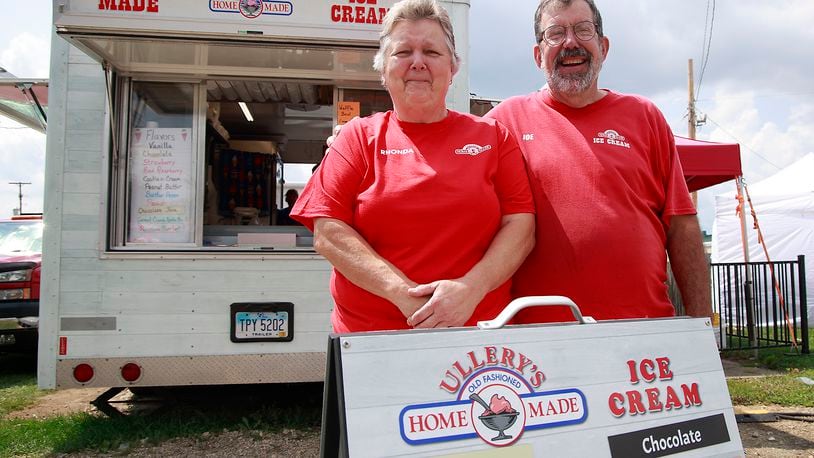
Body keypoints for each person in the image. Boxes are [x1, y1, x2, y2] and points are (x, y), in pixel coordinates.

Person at [291, 0, 535, 333]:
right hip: (373, 342)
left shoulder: (494, 138)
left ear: (453, 67)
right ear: (383, 69)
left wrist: (470, 289)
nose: (417, 63)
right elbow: (327, 232)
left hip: (477, 338)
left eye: (432, 52)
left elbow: (521, 226)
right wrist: (405, 295)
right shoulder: (357, 138)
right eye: (403, 52)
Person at [482, 0, 711, 323]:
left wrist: (702, 325)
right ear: (538, 56)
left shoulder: (644, 116)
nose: (570, 42)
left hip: (643, 331)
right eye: (555, 33)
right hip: (537, 342)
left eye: (583, 30)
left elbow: (682, 225)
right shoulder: (503, 123)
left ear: (603, 47)